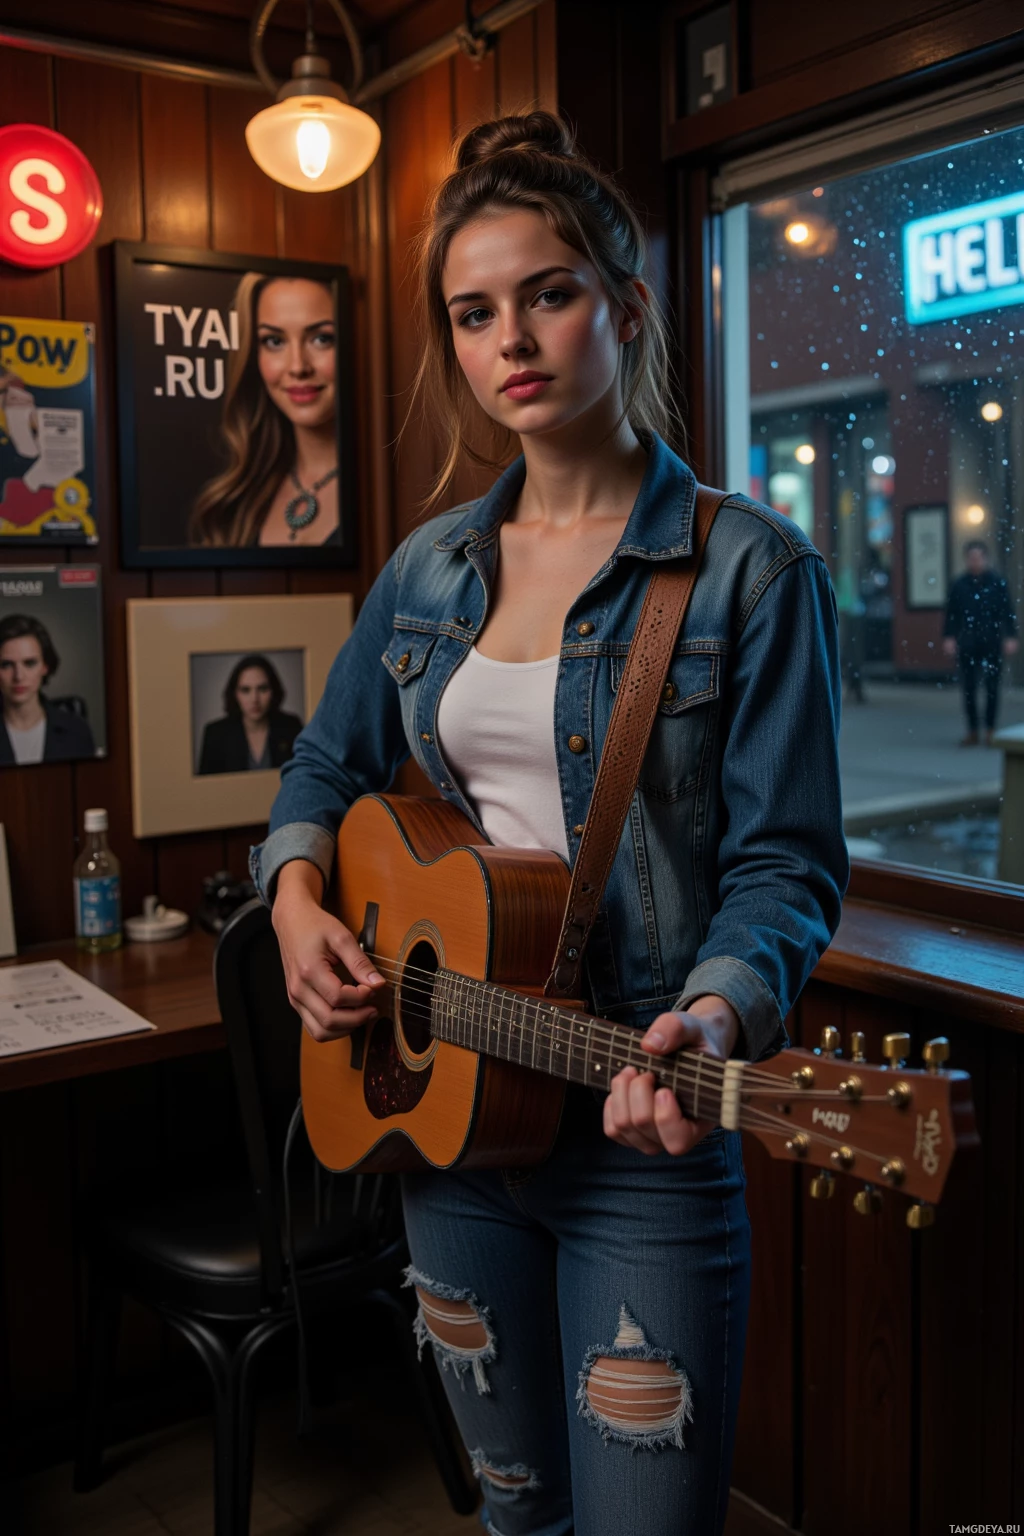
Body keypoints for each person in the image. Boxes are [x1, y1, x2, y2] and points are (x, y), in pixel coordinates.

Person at [252, 114, 847, 1536]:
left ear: (625, 307)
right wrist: (292, 902)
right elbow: (319, 775)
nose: (510, 337)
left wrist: (708, 1019)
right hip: (441, 1123)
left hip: (638, 1132)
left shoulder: (748, 569)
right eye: (473, 312)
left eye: (549, 293)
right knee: (516, 1516)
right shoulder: (429, 568)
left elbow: (785, 867)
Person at [189, 274, 340, 548]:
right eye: (274, 341)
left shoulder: (392, 490)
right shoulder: (237, 500)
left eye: (321, 339)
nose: (297, 366)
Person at [942, 539, 1019, 746]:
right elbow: (952, 614)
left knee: (992, 687)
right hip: (968, 641)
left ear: (985, 559)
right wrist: (949, 636)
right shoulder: (960, 584)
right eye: (971, 558)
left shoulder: (997, 582)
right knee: (969, 688)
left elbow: (1007, 611)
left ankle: (990, 729)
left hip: (992, 640)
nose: (975, 562)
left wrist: (1011, 635)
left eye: (978, 557)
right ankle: (973, 729)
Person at [0, 613, 95, 765]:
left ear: (45, 667)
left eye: (29, 663)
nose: (18, 676)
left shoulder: (77, 731)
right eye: (6, 665)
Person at [196, 654, 302, 775]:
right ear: (235, 694)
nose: (255, 699)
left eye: (263, 688)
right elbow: (205, 789)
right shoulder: (215, 734)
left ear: (274, 691)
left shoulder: (291, 727)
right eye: (245, 690)